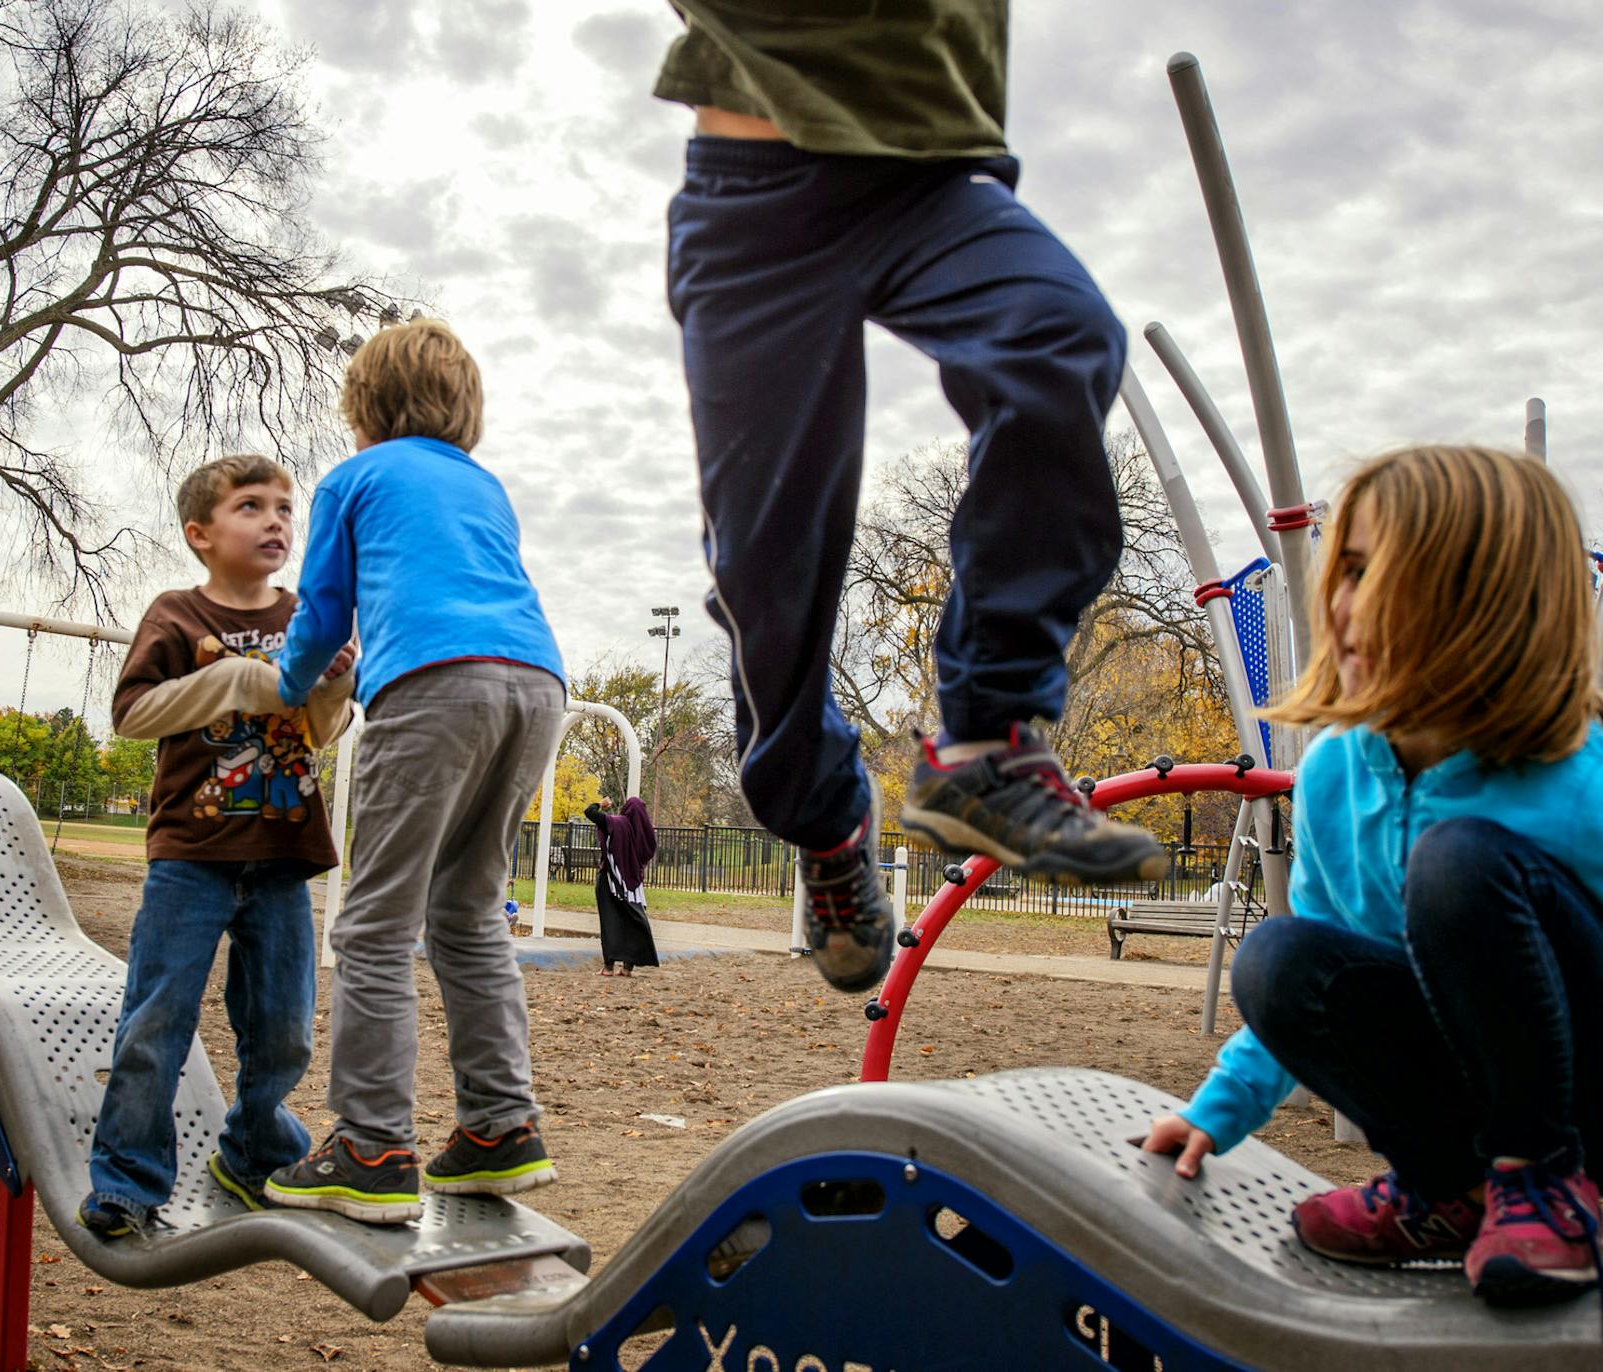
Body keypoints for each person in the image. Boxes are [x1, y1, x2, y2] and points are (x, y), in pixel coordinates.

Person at [653, 3, 1165, 996]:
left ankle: (987, 737)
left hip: (930, 190)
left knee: (1058, 341)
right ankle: (826, 813)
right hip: (753, 200)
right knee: (768, 574)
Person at [1144, 447, 1603, 1307]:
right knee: (1278, 957)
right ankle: (1452, 1194)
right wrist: (1219, 1109)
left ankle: (1545, 1180)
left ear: (1488, 607)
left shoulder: (1581, 777)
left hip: (1582, 1100)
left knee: (1461, 863)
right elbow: (1330, 965)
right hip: (1470, 1099)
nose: (1346, 605)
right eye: (1343, 572)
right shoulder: (1335, 773)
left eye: (1380, 577)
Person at [263, 319, 567, 1224]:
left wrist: (290, 689)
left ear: (367, 407)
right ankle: (498, 1131)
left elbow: (321, 612)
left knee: (374, 924)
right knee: (469, 913)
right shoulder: (485, 485)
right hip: (538, 684)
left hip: (437, 685)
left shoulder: (355, 477)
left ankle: (369, 1147)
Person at [78, 454, 357, 1240]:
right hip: (192, 856)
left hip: (283, 853)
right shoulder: (177, 614)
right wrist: (235, 678)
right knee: (156, 1020)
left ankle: (256, 1152)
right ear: (201, 534)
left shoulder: (306, 615)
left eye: (283, 507)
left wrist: (332, 683)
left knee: (285, 1029)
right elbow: (131, 714)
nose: (275, 520)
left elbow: (320, 731)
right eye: (251, 506)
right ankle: (128, 1179)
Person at [584, 797, 659, 976]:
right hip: (633, 885)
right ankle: (627, 967)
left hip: (610, 880)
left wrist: (600, 805)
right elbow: (648, 850)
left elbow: (590, 813)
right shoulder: (643, 833)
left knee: (610, 921)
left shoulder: (617, 823)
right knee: (631, 922)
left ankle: (608, 966)